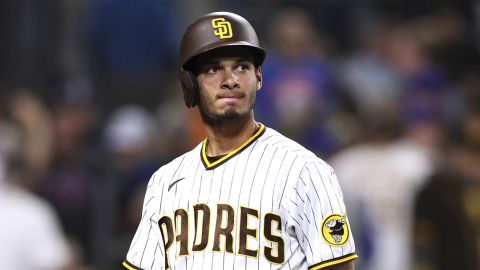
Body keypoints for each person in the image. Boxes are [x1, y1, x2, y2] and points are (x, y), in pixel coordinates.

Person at [122, 11, 357, 270]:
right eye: (213, 69)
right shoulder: (165, 182)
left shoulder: (305, 171)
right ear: (189, 84)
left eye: (241, 67)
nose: (230, 80)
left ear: (258, 76)